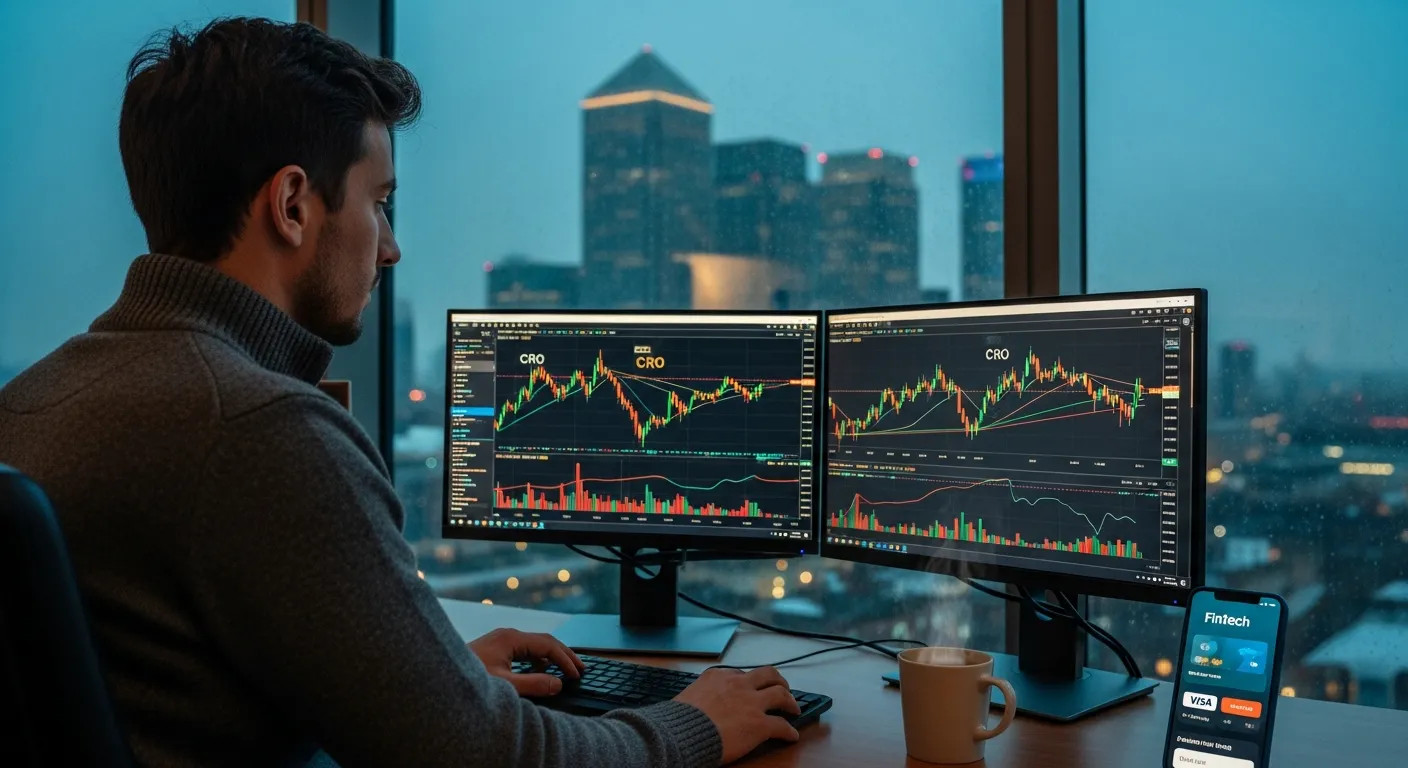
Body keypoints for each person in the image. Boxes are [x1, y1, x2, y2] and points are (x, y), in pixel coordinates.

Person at [0, 17, 800, 768]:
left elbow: (185, 687)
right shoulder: (260, 428)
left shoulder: (32, 401)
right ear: (291, 205)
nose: (391, 248)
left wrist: (430, 680)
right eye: (379, 204)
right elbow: (487, 757)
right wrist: (696, 725)